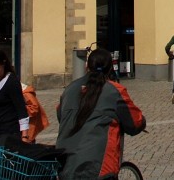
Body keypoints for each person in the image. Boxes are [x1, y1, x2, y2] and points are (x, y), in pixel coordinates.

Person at [56, 48, 145, 178]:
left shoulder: (69, 89)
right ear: (110, 68)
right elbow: (134, 122)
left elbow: (60, 115)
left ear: (87, 66)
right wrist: (142, 122)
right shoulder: (114, 90)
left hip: (65, 163)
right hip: (98, 166)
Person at [0, 47, 29, 147]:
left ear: (3, 64)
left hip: (8, 133)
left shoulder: (11, 82)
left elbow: (21, 109)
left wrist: (25, 136)